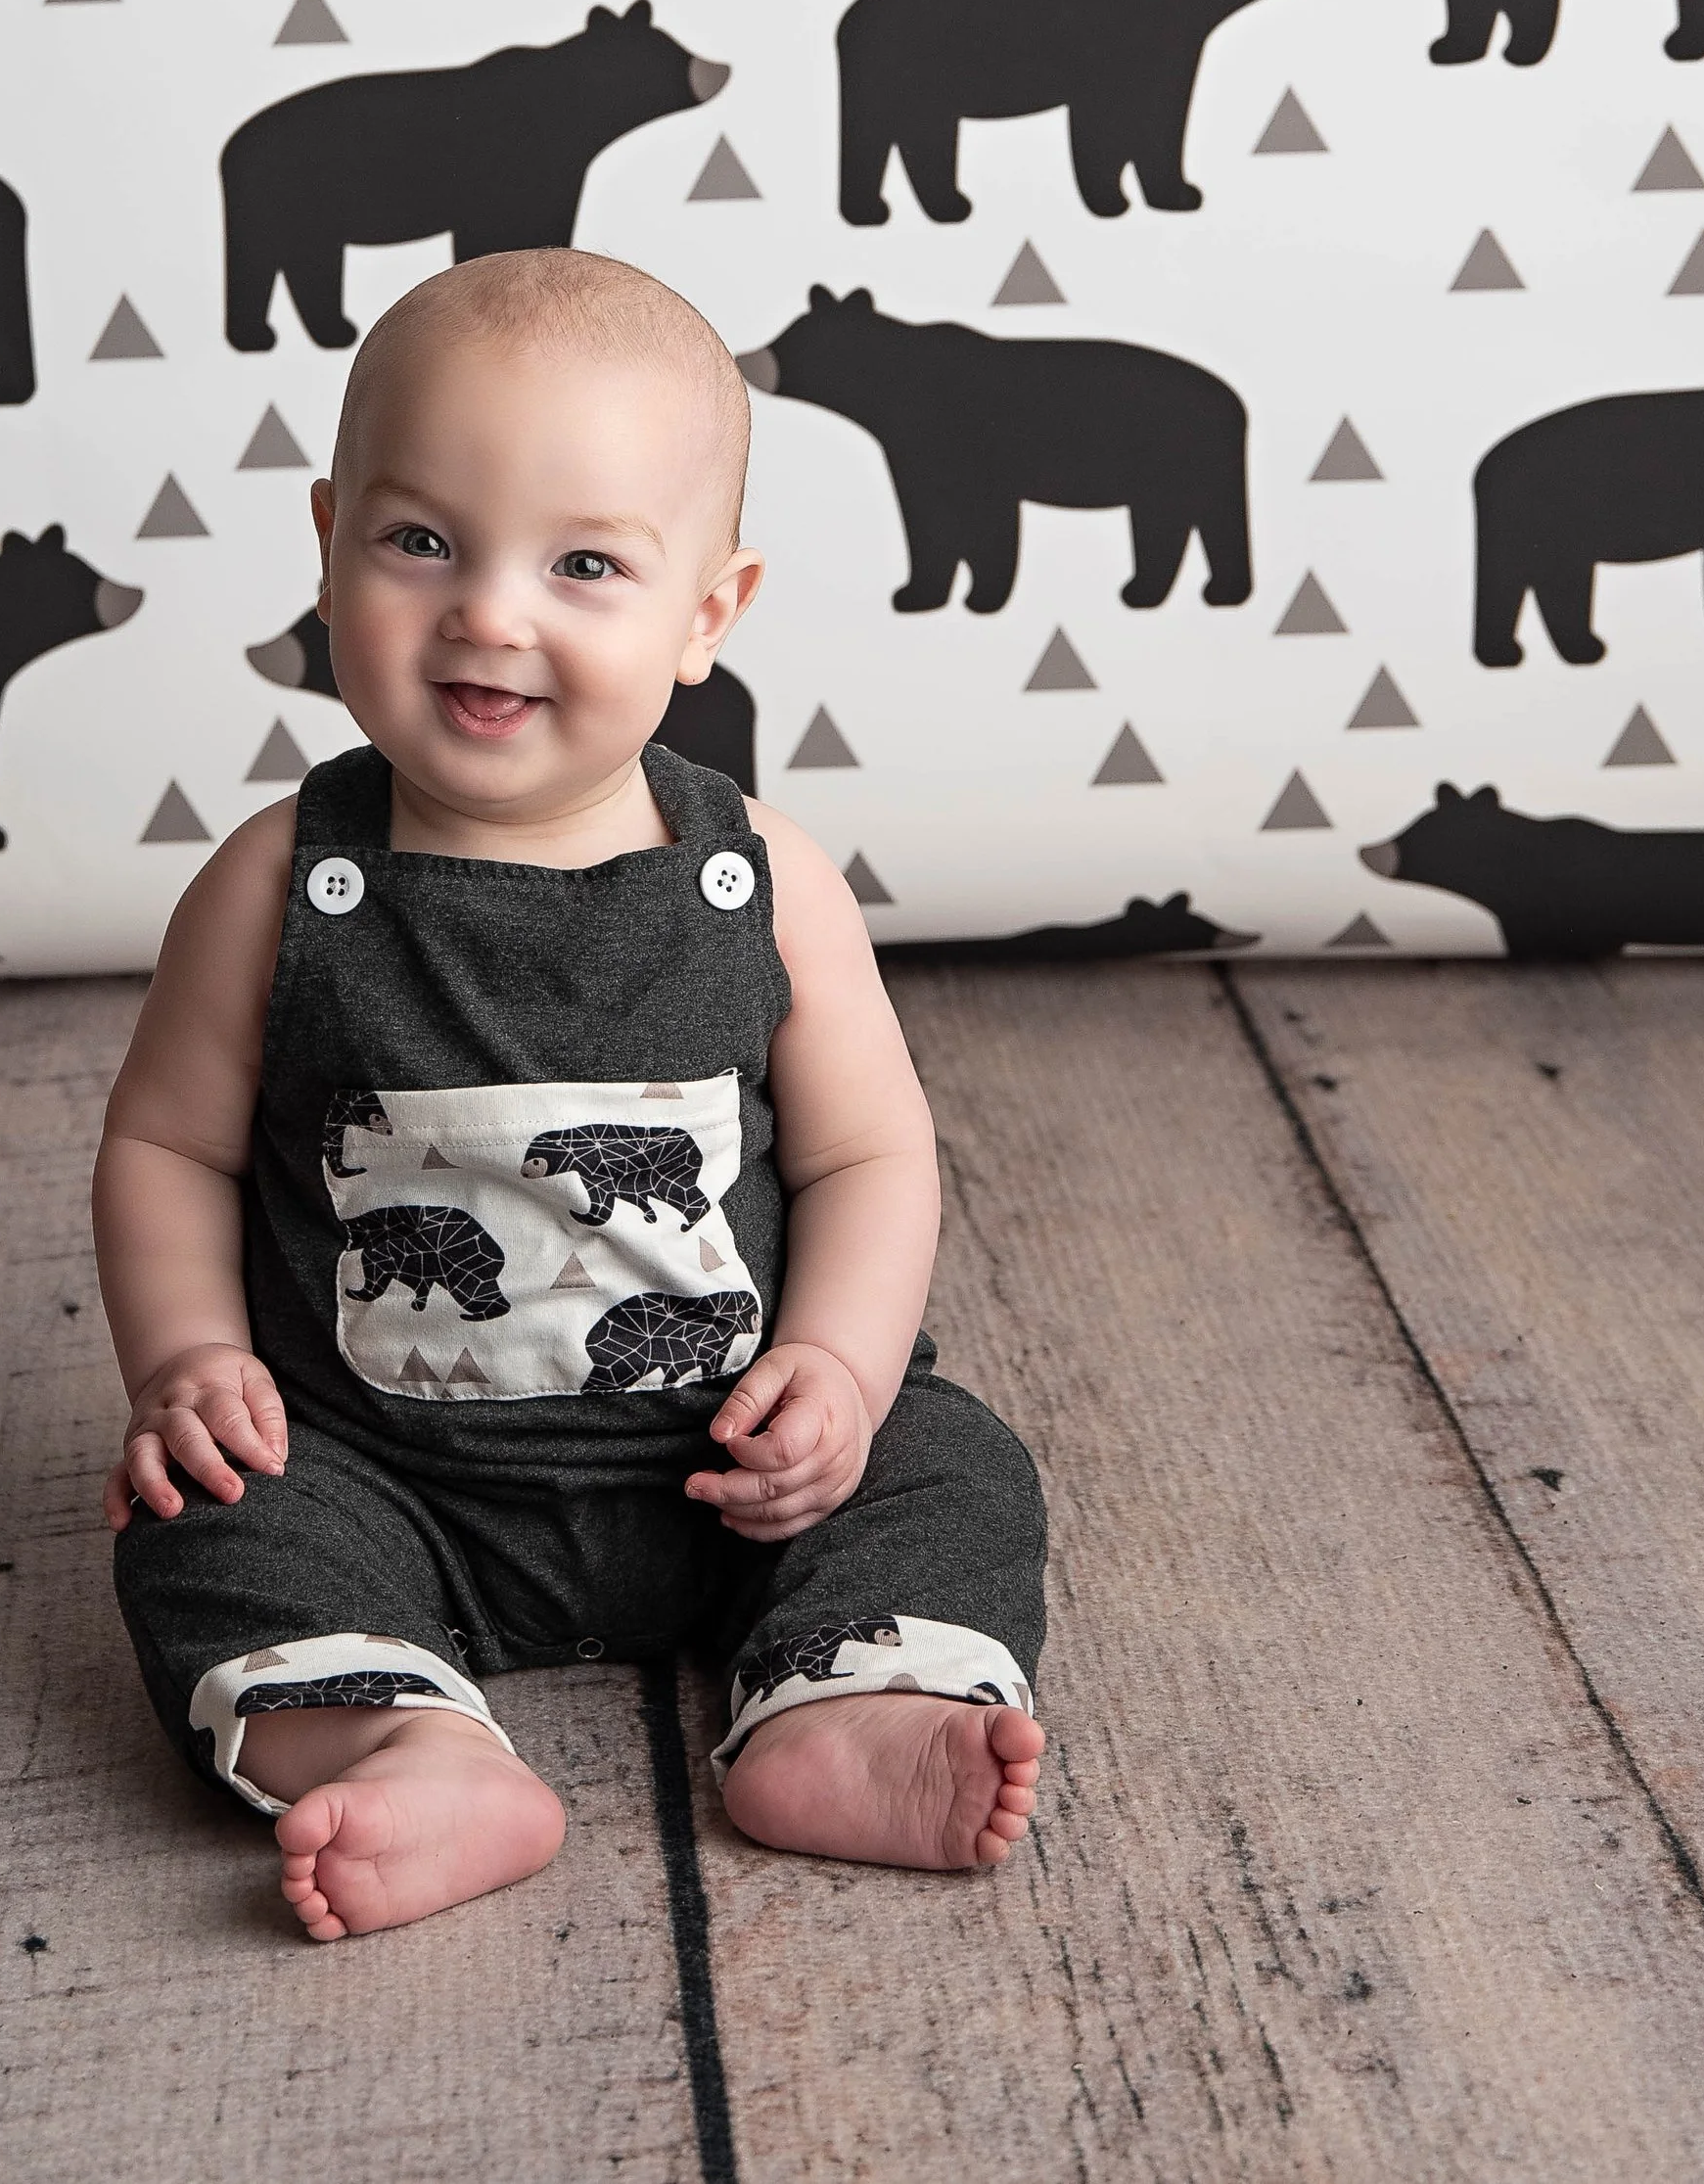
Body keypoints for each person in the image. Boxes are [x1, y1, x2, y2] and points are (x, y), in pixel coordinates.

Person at [93, 248, 1046, 1941]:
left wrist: (835, 1369)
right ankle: (406, 1734)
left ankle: (846, 1699)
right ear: (329, 543)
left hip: (729, 1472)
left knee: (948, 1458)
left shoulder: (765, 881)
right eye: (420, 543)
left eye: (585, 563)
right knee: (202, 1521)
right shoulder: (276, 883)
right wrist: (190, 1361)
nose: (489, 612)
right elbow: (165, 1142)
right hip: (386, 1479)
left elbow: (875, 1154)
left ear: (708, 614)